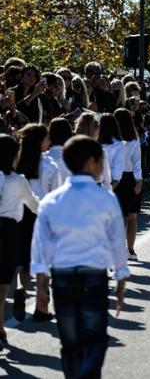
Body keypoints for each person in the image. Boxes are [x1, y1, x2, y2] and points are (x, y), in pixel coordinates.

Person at [29, 135, 128, 378]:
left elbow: (41, 245)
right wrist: (121, 274)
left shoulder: (52, 200)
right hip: (94, 274)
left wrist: (41, 286)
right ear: (90, 162)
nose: (103, 167)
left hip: (62, 275)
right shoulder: (105, 198)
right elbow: (117, 240)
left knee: (70, 340)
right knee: (95, 336)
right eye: (100, 161)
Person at [12, 124, 60, 323]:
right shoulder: (50, 166)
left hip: (18, 214)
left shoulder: (16, 163)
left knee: (21, 261)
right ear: (41, 141)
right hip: (41, 215)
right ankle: (42, 308)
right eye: (47, 137)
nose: (49, 140)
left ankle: (20, 289)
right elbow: (55, 196)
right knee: (42, 263)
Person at [0, 134, 39, 348]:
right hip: (9, 229)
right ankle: (0, 328)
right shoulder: (18, 180)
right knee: (3, 284)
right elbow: (34, 205)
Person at [113, 109, 143, 261]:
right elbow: (137, 163)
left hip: (123, 179)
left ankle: (129, 250)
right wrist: (138, 180)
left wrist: (138, 181)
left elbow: (137, 162)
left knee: (130, 216)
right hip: (122, 179)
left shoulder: (130, 140)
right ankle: (124, 249)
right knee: (127, 216)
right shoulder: (115, 140)